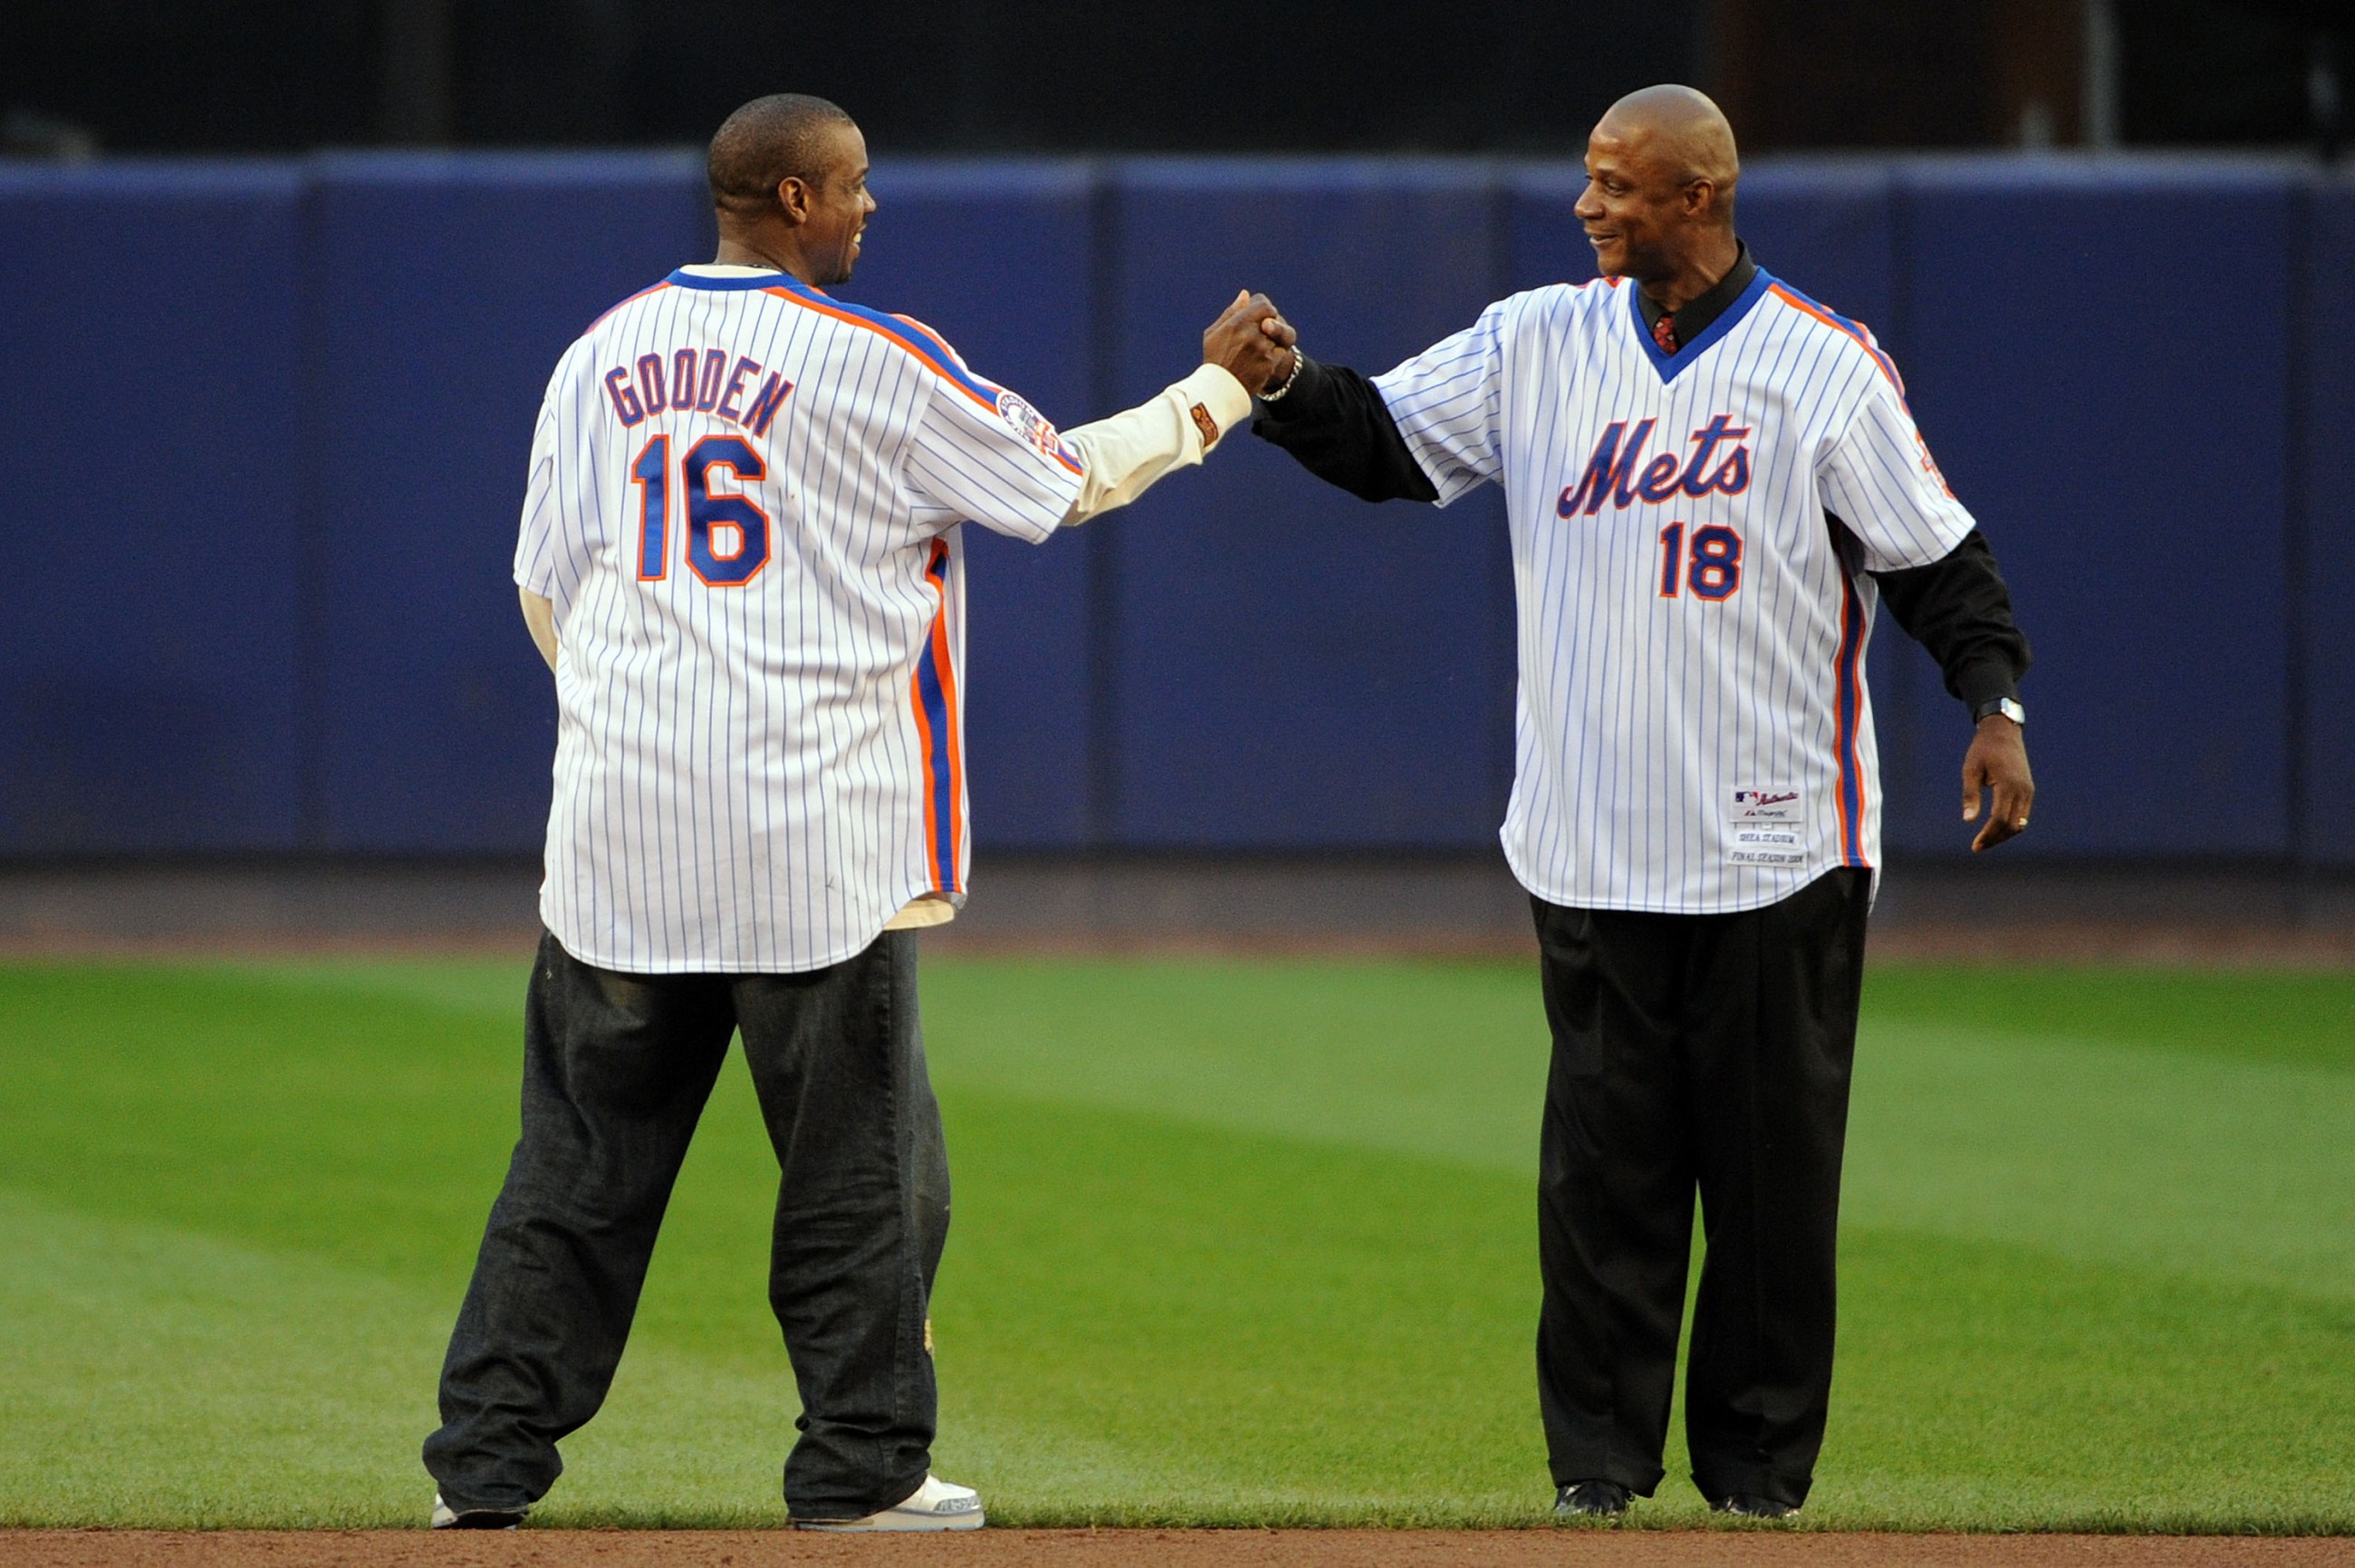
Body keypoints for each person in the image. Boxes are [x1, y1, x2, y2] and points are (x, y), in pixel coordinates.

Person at [422, 92, 1294, 1533]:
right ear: (793, 201)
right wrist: (1216, 393)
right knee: (865, 1180)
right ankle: (862, 1470)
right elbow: (1061, 485)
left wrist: (643, 725)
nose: (870, 206)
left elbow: (541, 589)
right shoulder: (868, 356)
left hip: (617, 844)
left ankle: (486, 1473)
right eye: (853, 184)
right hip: (813, 839)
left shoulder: (595, 356)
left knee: (574, 1174)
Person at [1249, 84, 2033, 1518]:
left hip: (1780, 842)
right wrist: (1287, 387)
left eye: (1615, 183)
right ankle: (1597, 1473)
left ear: (1699, 198)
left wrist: (1995, 708)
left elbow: (1938, 559)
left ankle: (1757, 1480)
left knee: (1770, 1187)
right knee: (1602, 1184)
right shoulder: (1538, 338)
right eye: (1589, 179)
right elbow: (1386, 446)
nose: (1586, 203)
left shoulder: (1821, 366)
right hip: (1592, 839)